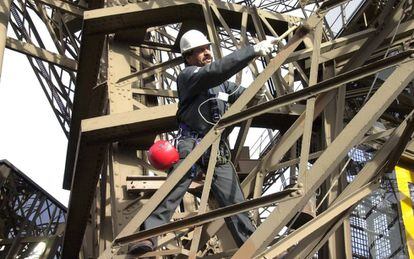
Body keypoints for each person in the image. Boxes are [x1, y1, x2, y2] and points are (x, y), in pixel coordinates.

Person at [128, 29, 274, 255]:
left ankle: (253, 248)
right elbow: (215, 72)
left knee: (235, 203)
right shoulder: (189, 77)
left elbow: (242, 93)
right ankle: (148, 235)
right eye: (200, 51)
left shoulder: (223, 86)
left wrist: (258, 90)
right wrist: (252, 51)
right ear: (188, 57)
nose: (207, 53)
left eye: (208, 49)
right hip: (192, 144)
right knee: (173, 190)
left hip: (218, 150)